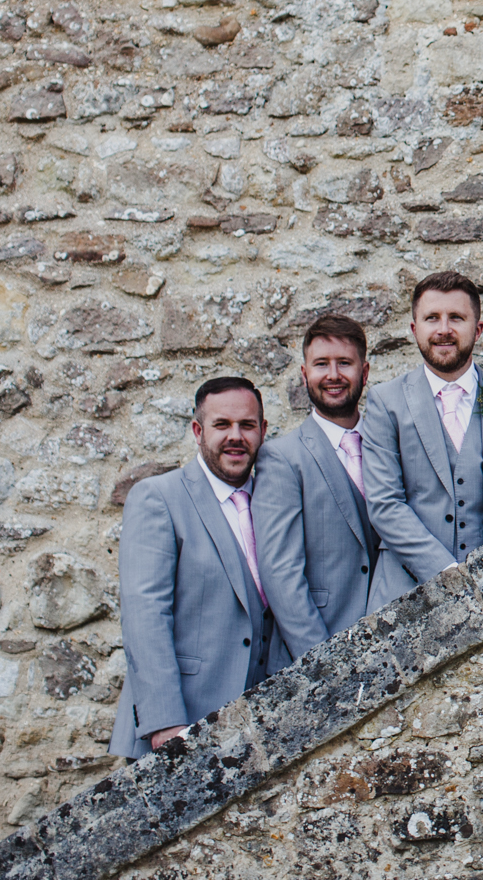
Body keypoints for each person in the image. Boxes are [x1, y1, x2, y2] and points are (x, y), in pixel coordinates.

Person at [110, 377, 282, 757]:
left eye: (247, 425)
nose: (235, 436)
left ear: (263, 430)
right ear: (197, 430)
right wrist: (166, 722)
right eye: (222, 425)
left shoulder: (275, 502)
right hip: (182, 722)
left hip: (259, 730)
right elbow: (145, 614)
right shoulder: (159, 498)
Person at [359, 272, 483, 603]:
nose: (444, 329)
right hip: (405, 596)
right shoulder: (387, 403)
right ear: (415, 330)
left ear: (478, 328)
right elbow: (385, 505)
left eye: (456, 317)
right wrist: (445, 573)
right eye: (432, 318)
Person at [252, 315, 382, 662]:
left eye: (345, 363)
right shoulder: (281, 459)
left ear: (365, 372)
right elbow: (280, 572)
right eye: (321, 364)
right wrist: (323, 662)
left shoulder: (388, 446)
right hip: (320, 649)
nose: (334, 375)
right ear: (304, 373)